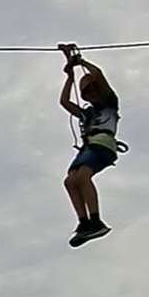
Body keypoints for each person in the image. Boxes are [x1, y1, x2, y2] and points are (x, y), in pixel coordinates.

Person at [57, 43, 121, 247]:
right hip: (90, 146)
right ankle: (84, 223)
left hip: (103, 144)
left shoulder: (110, 103)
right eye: (87, 93)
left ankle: (95, 220)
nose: (91, 95)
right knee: (70, 181)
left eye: (93, 90)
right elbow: (65, 102)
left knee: (83, 176)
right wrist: (69, 76)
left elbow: (98, 73)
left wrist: (80, 62)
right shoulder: (88, 113)